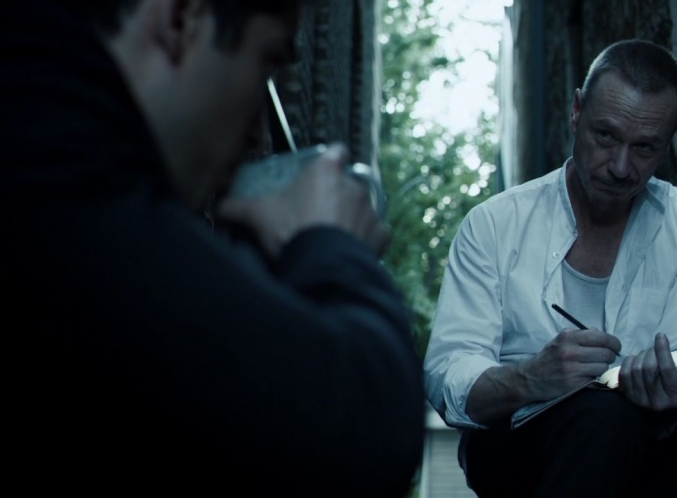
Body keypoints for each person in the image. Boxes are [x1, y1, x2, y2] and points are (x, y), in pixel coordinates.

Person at [1, 0, 424, 494]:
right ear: (181, 19)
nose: (258, 133)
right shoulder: (55, 179)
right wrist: (332, 245)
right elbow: (362, 436)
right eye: (265, 61)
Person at [424, 39, 677, 497]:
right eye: (605, 136)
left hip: (651, 449)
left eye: (644, 148)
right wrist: (530, 377)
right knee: (605, 415)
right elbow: (448, 376)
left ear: (668, 142)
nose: (621, 167)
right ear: (577, 112)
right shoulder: (495, 223)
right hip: (525, 450)